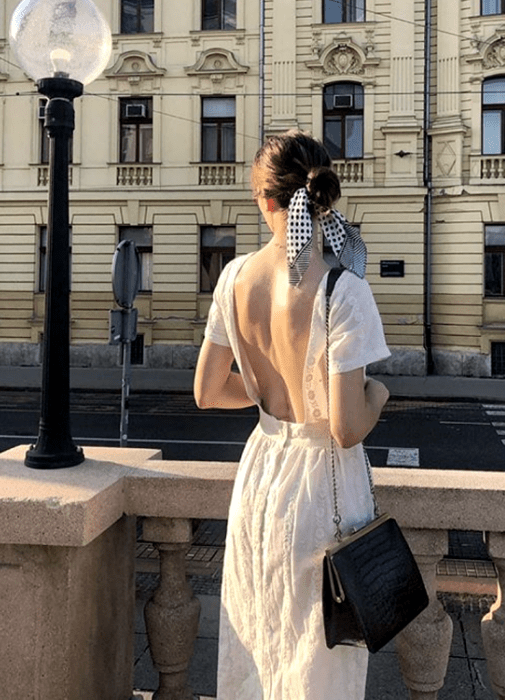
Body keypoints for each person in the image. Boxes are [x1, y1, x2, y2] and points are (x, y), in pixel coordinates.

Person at [194, 130, 391, 699]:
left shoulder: (233, 279)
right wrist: (378, 394)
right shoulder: (342, 289)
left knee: (260, 639)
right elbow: (346, 426)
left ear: (264, 199)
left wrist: (265, 396)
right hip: (321, 486)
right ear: (324, 193)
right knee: (318, 655)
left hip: (260, 476)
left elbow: (207, 390)